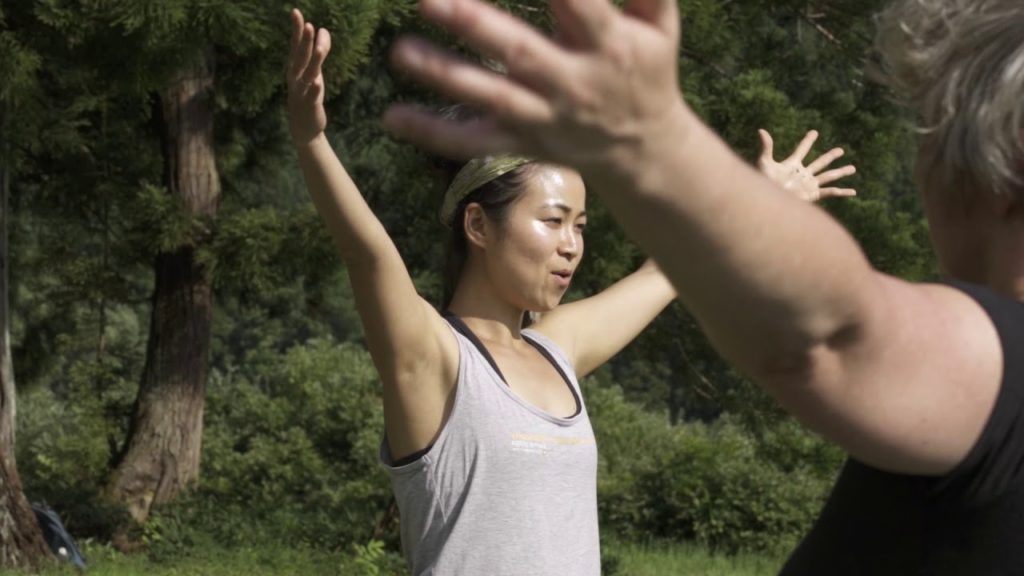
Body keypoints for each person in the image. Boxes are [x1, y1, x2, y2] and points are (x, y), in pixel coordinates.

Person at [383, 0, 1024, 574]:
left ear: (1000, 171)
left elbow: (819, 341)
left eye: (929, 133)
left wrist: (653, 136)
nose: (921, 165)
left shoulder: (1002, 368)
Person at [287, 7, 854, 575]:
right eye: (553, 221)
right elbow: (369, 254)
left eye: (579, 227)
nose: (572, 246)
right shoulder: (433, 357)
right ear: (478, 225)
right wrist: (311, 140)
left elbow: (668, 269)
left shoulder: (555, 348)